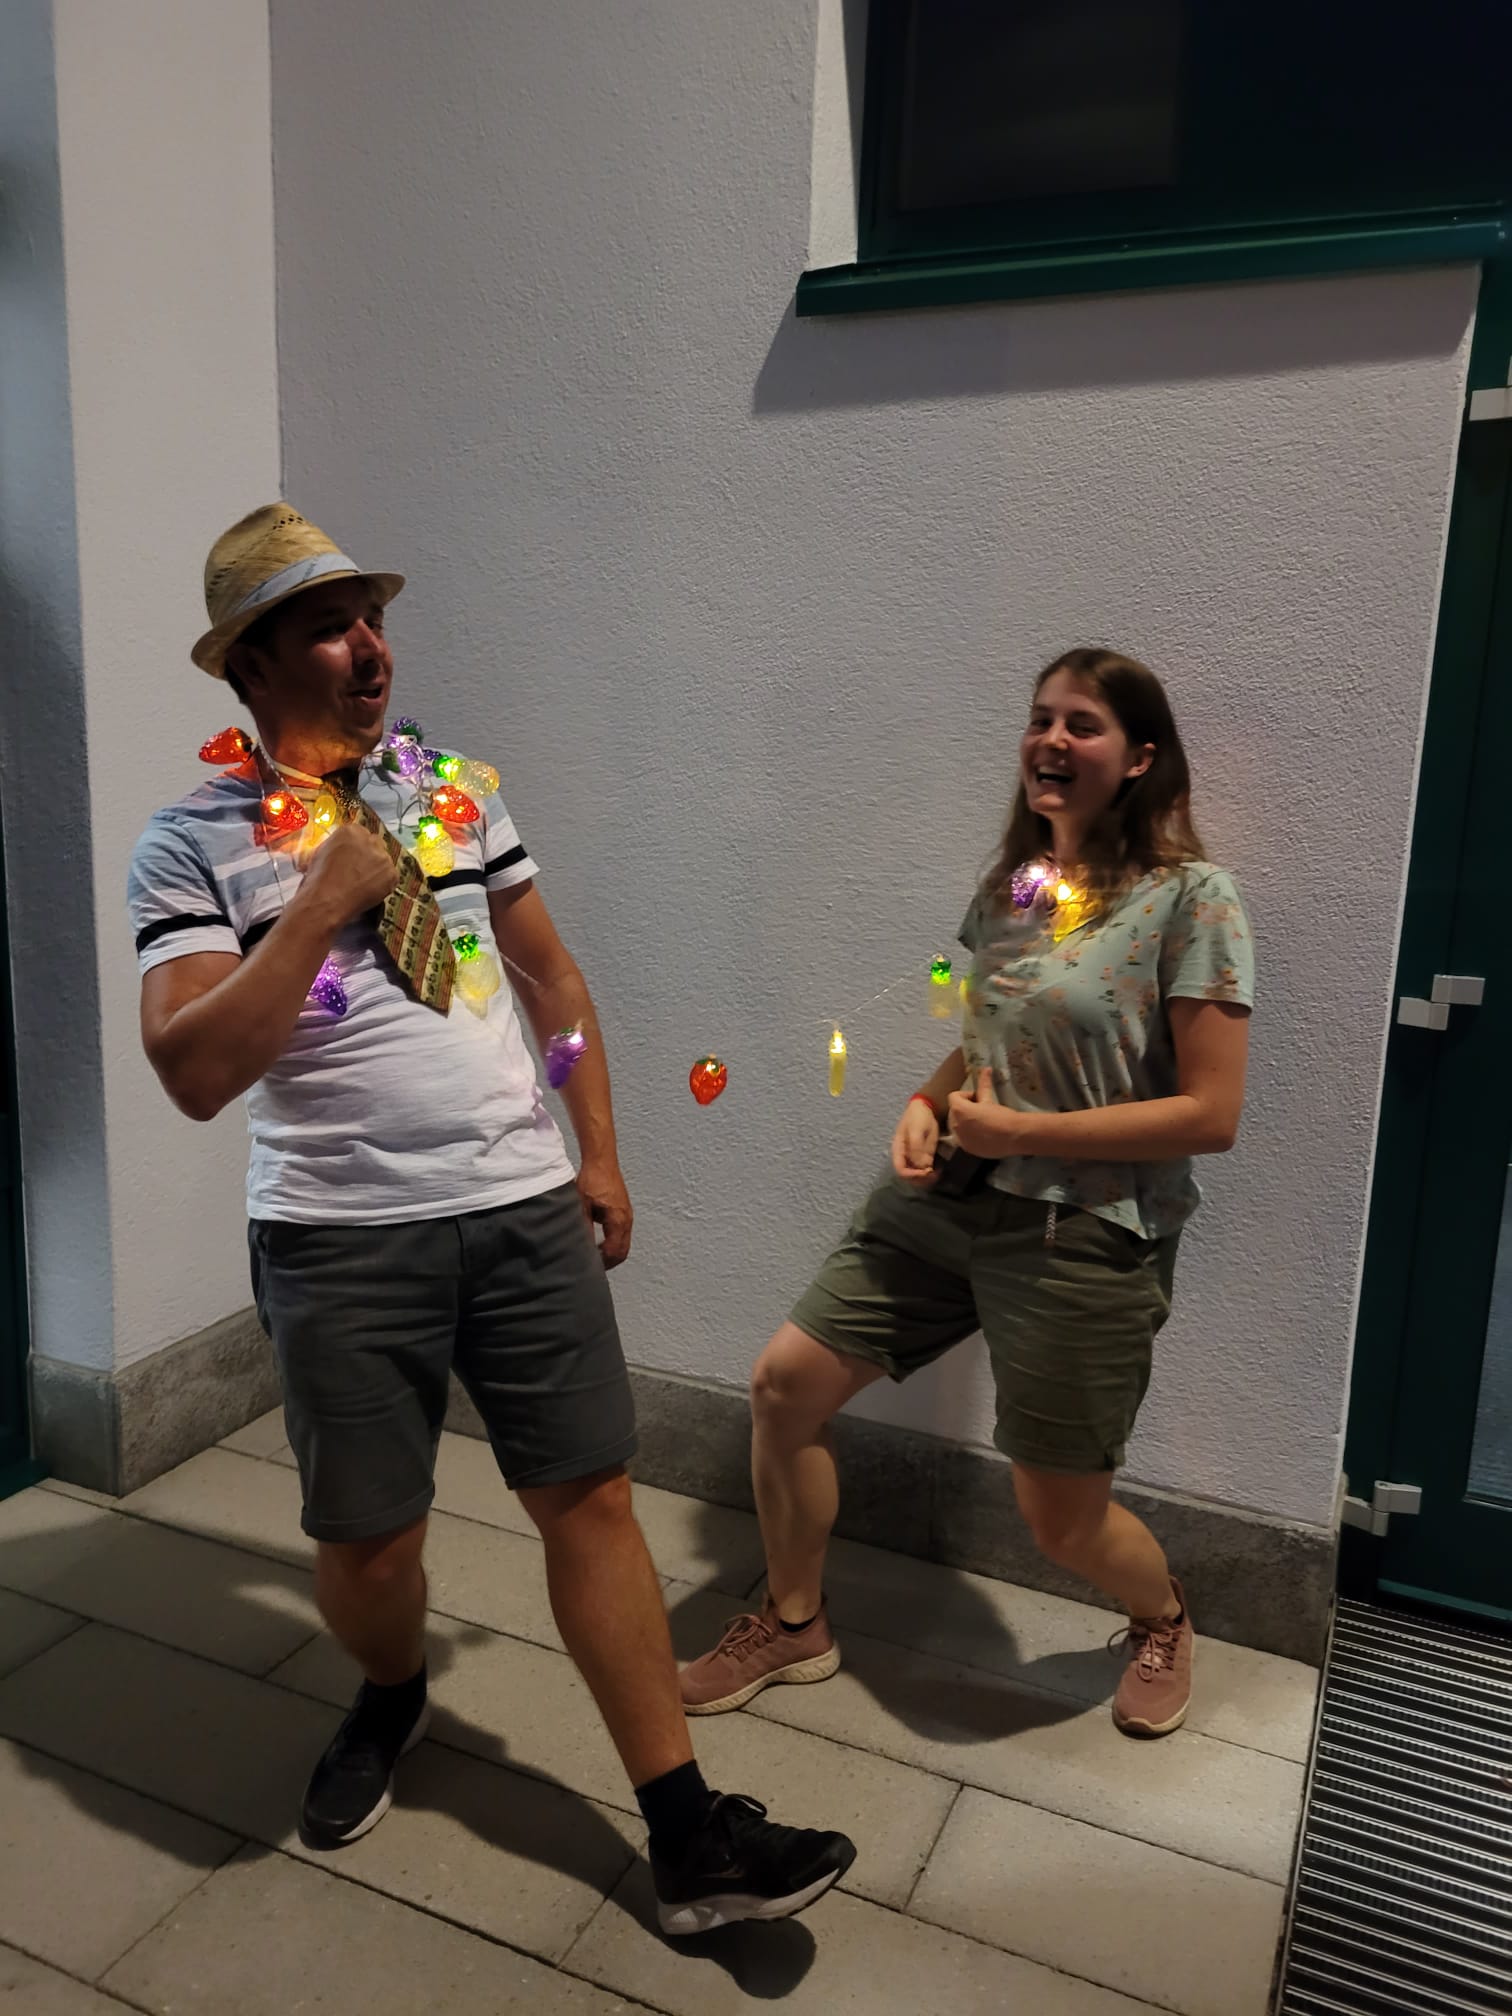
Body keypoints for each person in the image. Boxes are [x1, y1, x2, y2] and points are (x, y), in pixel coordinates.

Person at [128, 503, 854, 1934]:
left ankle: (688, 1836)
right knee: (372, 1548)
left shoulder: (451, 794)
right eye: (329, 627)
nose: (371, 648)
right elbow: (194, 1071)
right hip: (339, 1237)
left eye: (374, 619)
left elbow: (550, 980)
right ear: (252, 664)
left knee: (593, 1499)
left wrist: (600, 1145)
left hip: (521, 1206)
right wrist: (319, 904)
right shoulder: (189, 841)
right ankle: (392, 1691)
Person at [680, 648, 1253, 1739]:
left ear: (1139, 758)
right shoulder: (1012, 889)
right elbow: (985, 1041)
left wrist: (1022, 1131)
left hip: (1084, 1232)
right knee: (784, 1387)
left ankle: (1164, 1616)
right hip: (949, 1196)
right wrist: (924, 1100)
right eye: (1041, 718)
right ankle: (795, 1622)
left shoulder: (1194, 900)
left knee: (1061, 1520)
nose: (1051, 739)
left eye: (1081, 723)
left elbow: (1210, 1115)